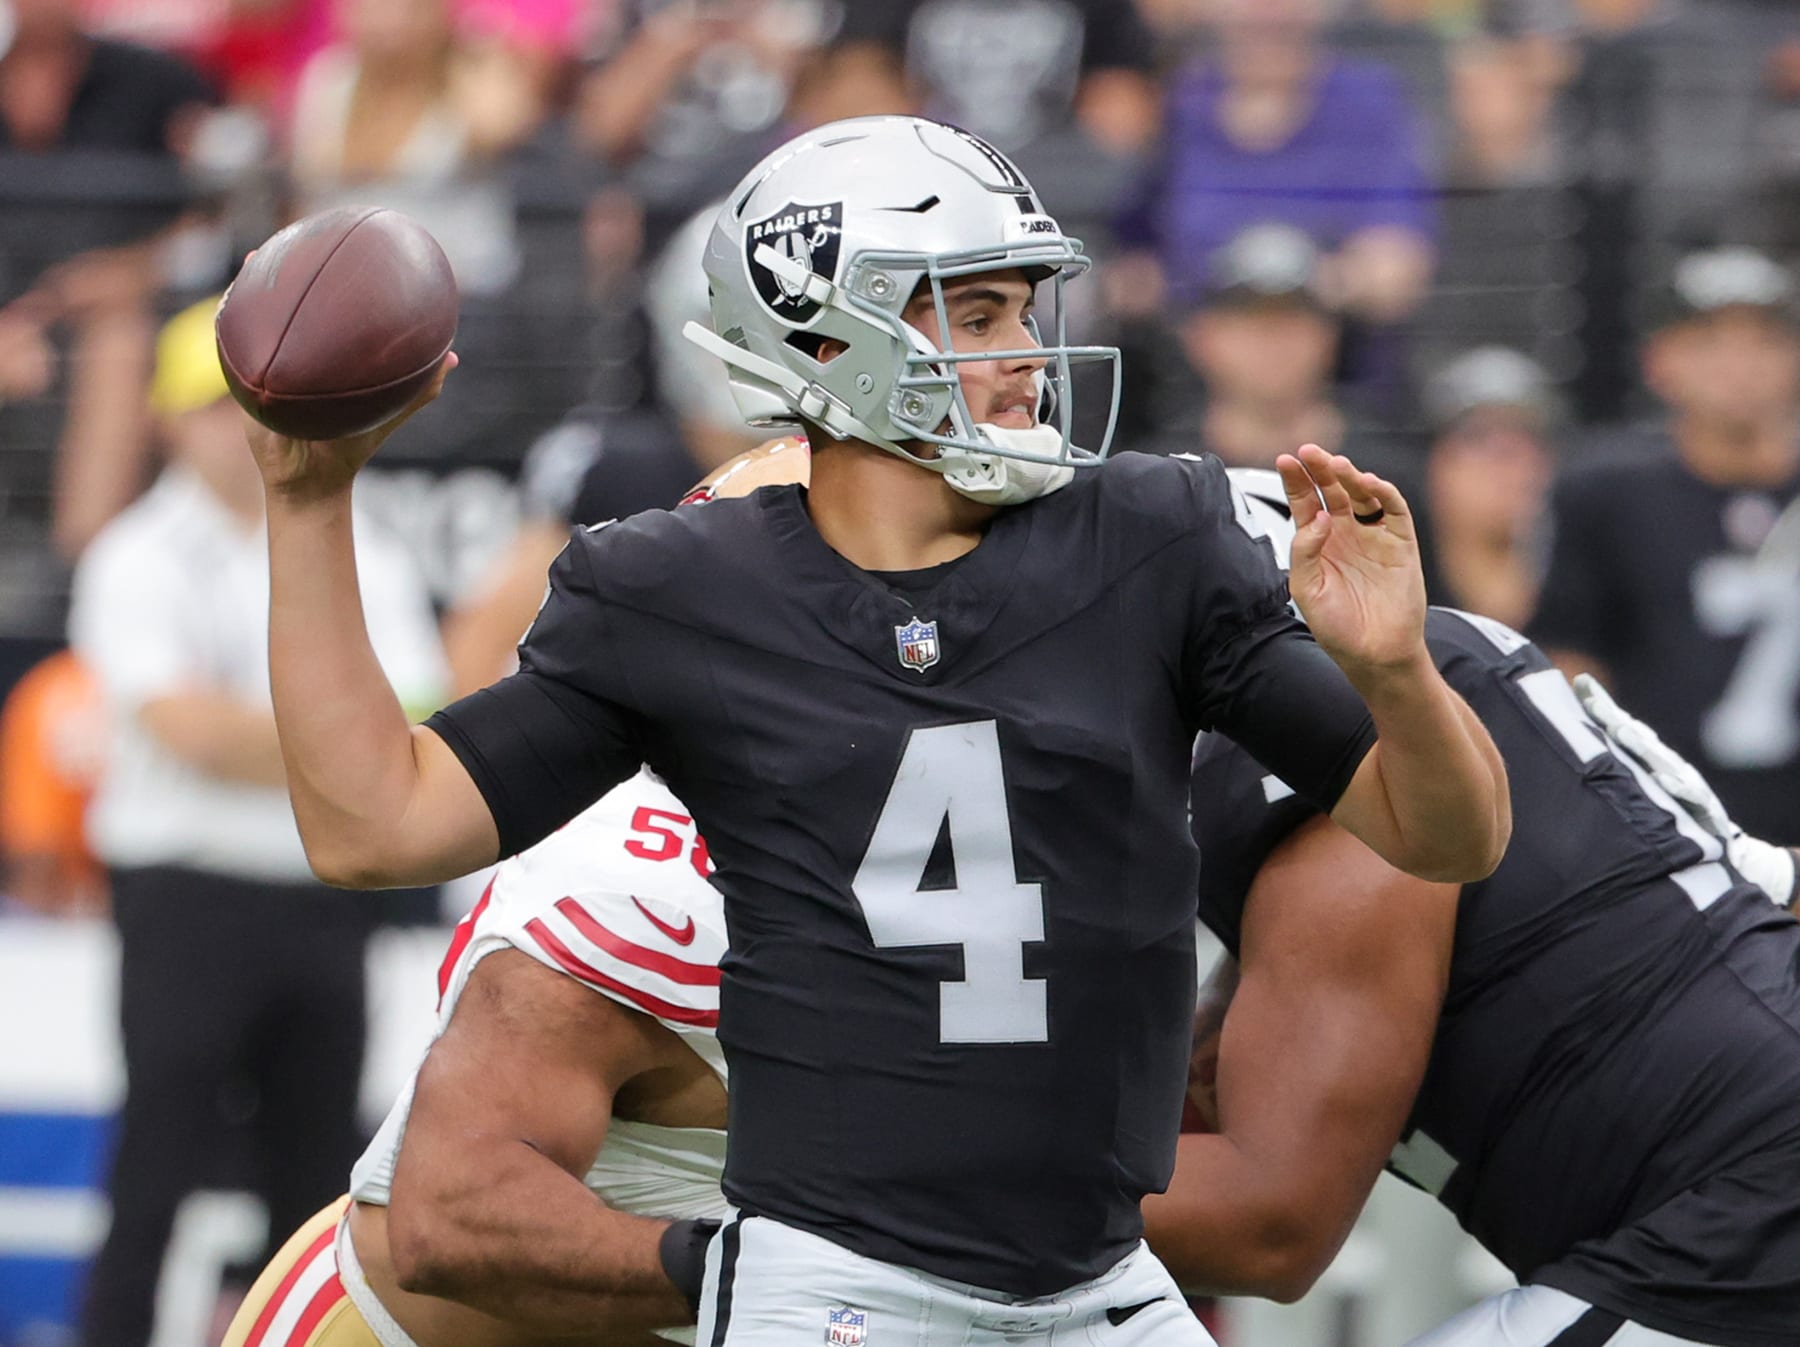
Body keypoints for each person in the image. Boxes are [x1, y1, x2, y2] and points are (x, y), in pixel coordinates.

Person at [241, 115, 1508, 1345]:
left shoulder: (1152, 537)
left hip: (1100, 1275)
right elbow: (378, 826)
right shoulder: (681, 591)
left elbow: (1450, 837)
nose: (1024, 352)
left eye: (1022, 308)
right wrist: (311, 506)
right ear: (825, 336)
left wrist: (1397, 674)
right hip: (836, 1288)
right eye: (975, 313)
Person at [1146, 472, 1800, 1346]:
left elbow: (1269, 1222)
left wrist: (928, 1191)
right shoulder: (1435, 682)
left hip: (1737, 1216)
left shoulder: (1335, 764)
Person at [67, 299, 448, 1347]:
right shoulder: (138, 554)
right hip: (190, 896)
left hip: (320, 896)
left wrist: (297, 735)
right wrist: (337, 736)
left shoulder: (361, 539)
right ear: (168, 422)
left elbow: (414, 708)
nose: (230, 431)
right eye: (209, 407)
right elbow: (189, 730)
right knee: (157, 1164)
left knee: (314, 1174)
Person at [1530, 245, 1800, 844]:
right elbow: (1569, 668)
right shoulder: (1604, 495)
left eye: (1764, 339)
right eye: (1710, 341)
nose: (1740, 364)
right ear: (1659, 360)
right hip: (1666, 832)